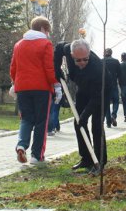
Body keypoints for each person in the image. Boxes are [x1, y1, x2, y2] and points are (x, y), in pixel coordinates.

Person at [10, 16, 61, 165]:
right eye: (48, 31)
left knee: (26, 118)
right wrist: (56, 85)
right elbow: (48, 68)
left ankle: (21, 145)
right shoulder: (45, 43)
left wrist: (15, 83)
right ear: (43, 29)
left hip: (22, 88)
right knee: (41, 122)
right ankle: (36, 156)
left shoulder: (18, 44)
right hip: (41, 88)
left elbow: (13, 68)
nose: (48, 34)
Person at [61, 39, 111, 171]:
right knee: (78, 123)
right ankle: (86, 159)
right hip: (83, 90)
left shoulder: (98, 69)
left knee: (96, 125)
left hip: (101, 93)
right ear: (72, 56)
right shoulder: (67, 49)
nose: (82, 62)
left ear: (89, 54)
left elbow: (97, 97)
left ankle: (100, 161)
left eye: (85, 59)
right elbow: (60, 48)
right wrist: (56, 68)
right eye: (78, 60)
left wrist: (85, 114)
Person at [102, 48, 121, 128]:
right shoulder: (116, 61)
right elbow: (120, 73)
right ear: (111, 53)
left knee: (106, 103)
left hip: (104, 85)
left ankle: (108, 122)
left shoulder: (101, 61)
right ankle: (114, 115)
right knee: (116, 101)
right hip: (113, 84)